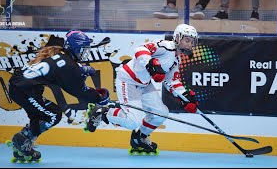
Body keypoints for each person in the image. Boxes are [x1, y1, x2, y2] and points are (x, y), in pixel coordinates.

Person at [84, 24, 199, 154]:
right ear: (177, 38)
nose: (190, 45)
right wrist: (150, 63)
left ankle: (140, 138)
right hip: (128, 81)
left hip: (144, 85)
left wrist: (185, 96)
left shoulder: (175, 60)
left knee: (161, 113)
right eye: (187, 40)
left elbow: (172, 81)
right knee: (132, 121)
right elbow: (140, 49)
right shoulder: (165, 46)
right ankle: (103, 111)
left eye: (192, 42)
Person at [8, 30, 110, 161]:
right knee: (54, 115)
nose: (85, 54)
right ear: (75, 48)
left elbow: (61, 68)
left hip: (20, 86)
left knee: (41, 115)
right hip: (24, 89)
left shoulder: (61, 55)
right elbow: (79, 91)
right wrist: (99, 98)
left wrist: (80, 69)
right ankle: (23, 139)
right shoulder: (68, 65)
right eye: (83, 50)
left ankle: (22, 145)